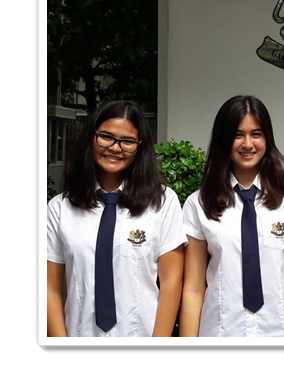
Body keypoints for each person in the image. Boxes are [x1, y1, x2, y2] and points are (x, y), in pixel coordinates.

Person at [46, 100, 186, 337]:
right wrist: (62, 349)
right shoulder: (60, 208)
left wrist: (158, 348)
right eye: (106, 137)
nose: (115, 147)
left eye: (127, 141)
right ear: (92, 138)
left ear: (140, 147)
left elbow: (171, 281)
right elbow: (50, 289)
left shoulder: (162, 202)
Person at [180, 95, 284, 337]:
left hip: (279, 334)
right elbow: (193, 288)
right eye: (237, 135)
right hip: (221, 334)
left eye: (256, 134)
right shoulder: (199, 203)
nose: (247, 144)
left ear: (267, 137)